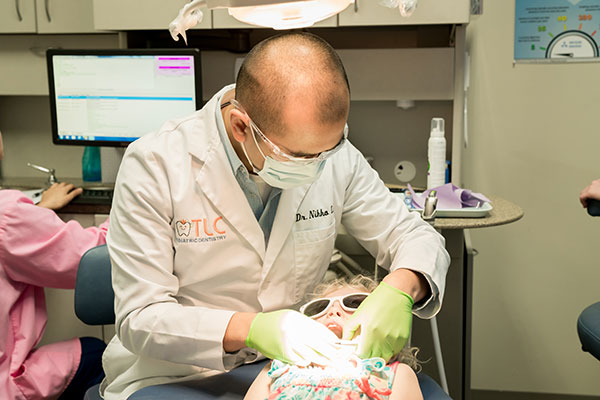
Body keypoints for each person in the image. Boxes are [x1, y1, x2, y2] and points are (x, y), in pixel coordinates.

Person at [102, 32, 450, 399]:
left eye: (327, 151)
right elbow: (140, 318)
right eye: (299, 157)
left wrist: (402, 287)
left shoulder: (332, 156)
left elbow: (415, 235)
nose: (317, 168)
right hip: (178, 372)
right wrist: (250, 329)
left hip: (296, 365)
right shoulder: (156, 164)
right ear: (241, 126)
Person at [0, 129, 109, 399]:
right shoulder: (7, 214)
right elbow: (88, 260)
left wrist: (36, 213)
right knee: (100, 355)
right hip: (5, 384)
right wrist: (134, 208)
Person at [244, 275, 423, 400]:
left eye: (353, 303)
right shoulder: (279, 368)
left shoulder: (391, 373)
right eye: (320, 307)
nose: (333, 311)